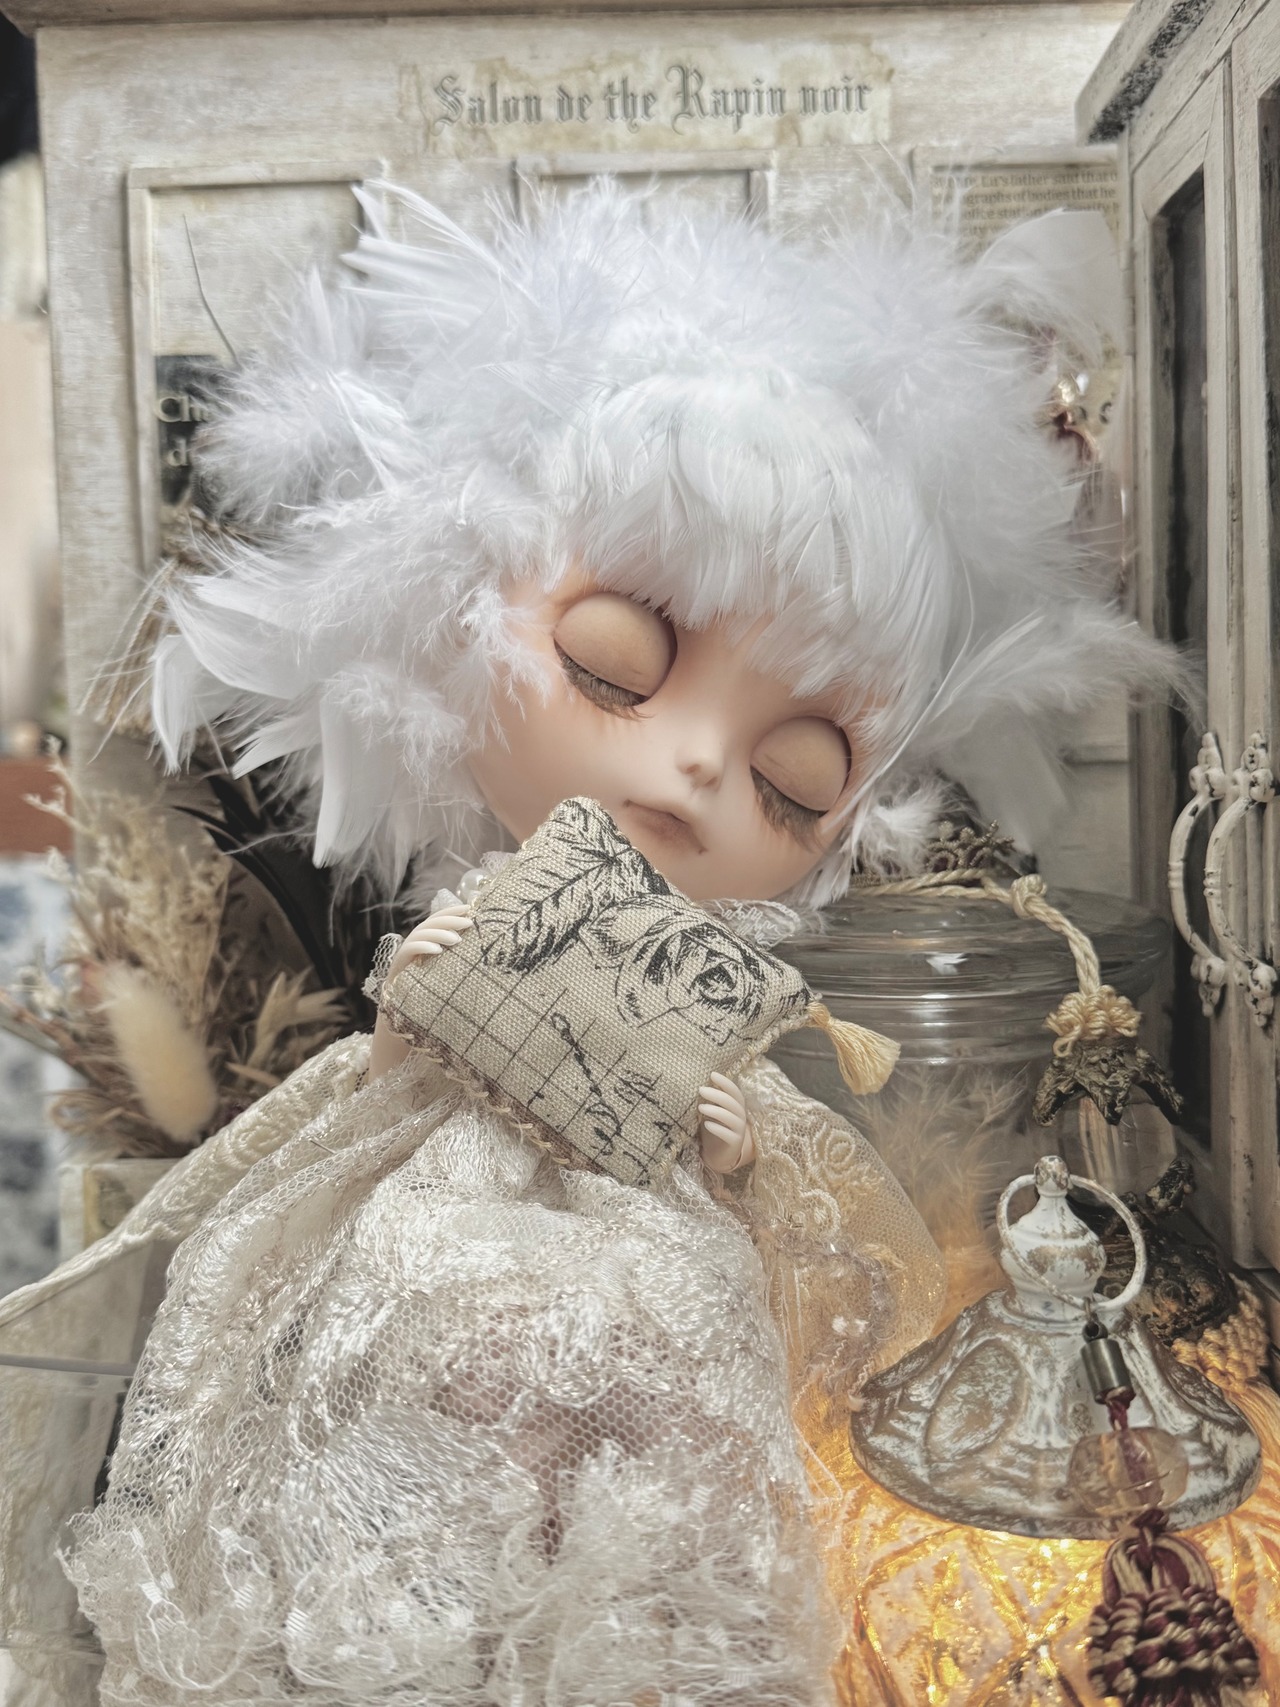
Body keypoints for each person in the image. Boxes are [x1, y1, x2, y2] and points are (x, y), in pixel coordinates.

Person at [1, 181, 1172, 1705]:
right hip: (434, 1231)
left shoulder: (720, 976)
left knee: (672, 1422)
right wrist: (422, 1016)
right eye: (617, 666)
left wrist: (732, 1142)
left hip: (654, 1262)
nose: (692, 769)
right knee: (407, 1404)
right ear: (434, 610)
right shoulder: (494, 909)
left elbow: (809, 1231)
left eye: (794, 775)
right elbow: (383, 1074)